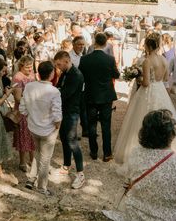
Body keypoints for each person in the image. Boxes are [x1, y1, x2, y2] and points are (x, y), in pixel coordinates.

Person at [116, 33, 176, 173]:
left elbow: (146, 83)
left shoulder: (148, 60)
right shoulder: (164, 59)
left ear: (148, 45)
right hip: (160, 91)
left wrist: (139, 77)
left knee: (140, 121)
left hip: (148, 92)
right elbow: (166, 77)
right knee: (162, 120)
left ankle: (142, 153)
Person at [20, 61, 62, 196]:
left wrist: (29, 117)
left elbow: (22, 107)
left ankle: (31, 180)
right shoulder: (54, 91)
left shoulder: (29, 86)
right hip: (48, 130)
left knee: (38, 153)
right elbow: (57, 113)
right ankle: (41, 188)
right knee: (45, 159)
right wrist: (58, 125)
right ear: (51, 74)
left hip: (33, 127)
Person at [79, 32, 120, 161]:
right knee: (106, 125)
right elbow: (116, 75)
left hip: (91, 94)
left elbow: (81, 77)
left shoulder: (85, 59)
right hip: (106, 95)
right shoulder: (110, 59)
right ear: (105, 43)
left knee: (91, 124)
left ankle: (94, 152)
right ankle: (107, 153)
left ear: (95, 42)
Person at [54, 51, 86, 189]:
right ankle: (66, 165)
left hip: (71, 112)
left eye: (59, 64)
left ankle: (80, 174)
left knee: (72, 141)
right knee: (63, 138)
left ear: (66, 61)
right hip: (63, 110)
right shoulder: (65, 72)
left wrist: (55, 93)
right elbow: (58, 87)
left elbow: (64, 94)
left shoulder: (76, 75)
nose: (58, 67)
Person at [11, 55, 36, 172]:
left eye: (31, 66)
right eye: (27, 67)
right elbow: (17, 97)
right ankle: (22, 162)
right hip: (22, 111)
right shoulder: (18, 77)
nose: (30, 69)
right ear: (21, 66)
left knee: (32, 136)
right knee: (23, 136)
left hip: (32, 110)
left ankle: (33, 160)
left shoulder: (32, 75)